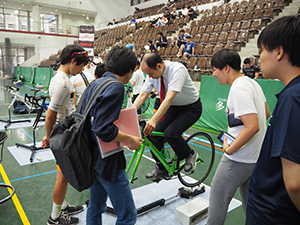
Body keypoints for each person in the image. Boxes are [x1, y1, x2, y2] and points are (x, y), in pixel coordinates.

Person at [206, 49, 270, 225]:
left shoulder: (238, 87)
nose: (213, 74)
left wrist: (230, 148)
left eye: (214, 69)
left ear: (226, 68)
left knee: (217, 199)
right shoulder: (252, 83)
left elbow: (253, 126)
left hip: (238, 158)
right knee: (251, 205)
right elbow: (265, 113)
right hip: (253, 158)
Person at [247, 15, 300, 224]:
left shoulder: (292, 98)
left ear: (278, 52)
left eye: (261, 51)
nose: (259, 58)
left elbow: (294, 183)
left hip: (273, 213)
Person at [80, 46, 141, 225]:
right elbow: (102, 129)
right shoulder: (116, 88)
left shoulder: (96, 83)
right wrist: (130, 139)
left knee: (96, 207)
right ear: (130, 70)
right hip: (108, 162)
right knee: (128, 215)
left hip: (91, 156)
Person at [133, 53, 202, 181]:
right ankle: (161, 167)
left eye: (150, 74)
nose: (149, 77)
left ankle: (190, 154)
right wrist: (128, 114)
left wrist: (153, 120)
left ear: (159, 66)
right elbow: (142, 96)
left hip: (191, 108)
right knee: (153, 135)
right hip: (174, 108)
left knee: (171, 134)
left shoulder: (177, 70)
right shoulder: (152, 74)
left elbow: (169, 98)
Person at [42, 44, 89, 225]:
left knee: (63, 175)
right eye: (80, 65)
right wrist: (50, 138)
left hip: (63, 133)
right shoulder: (63, 82)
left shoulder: (59, 77)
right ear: (73, 61)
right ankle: (54, 217)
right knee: (63, 177)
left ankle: (63, 205)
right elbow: (50, 116)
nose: (82, 69)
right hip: (62, 136)